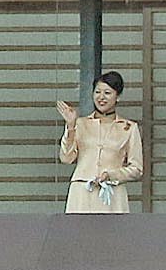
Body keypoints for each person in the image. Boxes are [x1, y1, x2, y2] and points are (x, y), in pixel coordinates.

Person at [55, 71, 141, 214]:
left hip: (112, 191)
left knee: (113, 235)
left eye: (107, 93)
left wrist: (112, 175)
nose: (101, 97)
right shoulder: (81, 124)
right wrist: (70, 126)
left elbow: (137, 169)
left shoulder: (129, 128)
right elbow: (66, 157)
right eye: (97, 92)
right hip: (82, 191)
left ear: (117, 96)